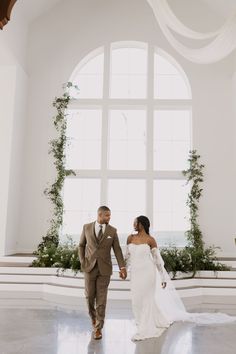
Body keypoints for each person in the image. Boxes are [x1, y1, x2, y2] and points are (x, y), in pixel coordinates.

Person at [125, 215, 236, 341]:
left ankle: (145, 326)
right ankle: (141, 321)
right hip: (136, 274)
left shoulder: (151, 240)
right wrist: (123, 269)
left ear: (141, 224)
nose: (133, 224)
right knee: (136, 299)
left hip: (148, 273)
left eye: (135, 222)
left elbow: (157, 260)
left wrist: (162, 277)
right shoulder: (130, 238)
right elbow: (127, 256)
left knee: (147, 299)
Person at [79, 206, 127, 340]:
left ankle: (98, 328)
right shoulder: (86, 227)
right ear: (100, 215)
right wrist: (83, 261)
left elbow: (117, 249)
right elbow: (81, 245)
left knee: (101, 299)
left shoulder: (112, 231)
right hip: (89, 267)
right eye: (107, 216)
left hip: (105, 269)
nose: (109, 218)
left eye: (110, 216)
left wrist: (122, 267)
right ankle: (93, 319)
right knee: (89, 296)